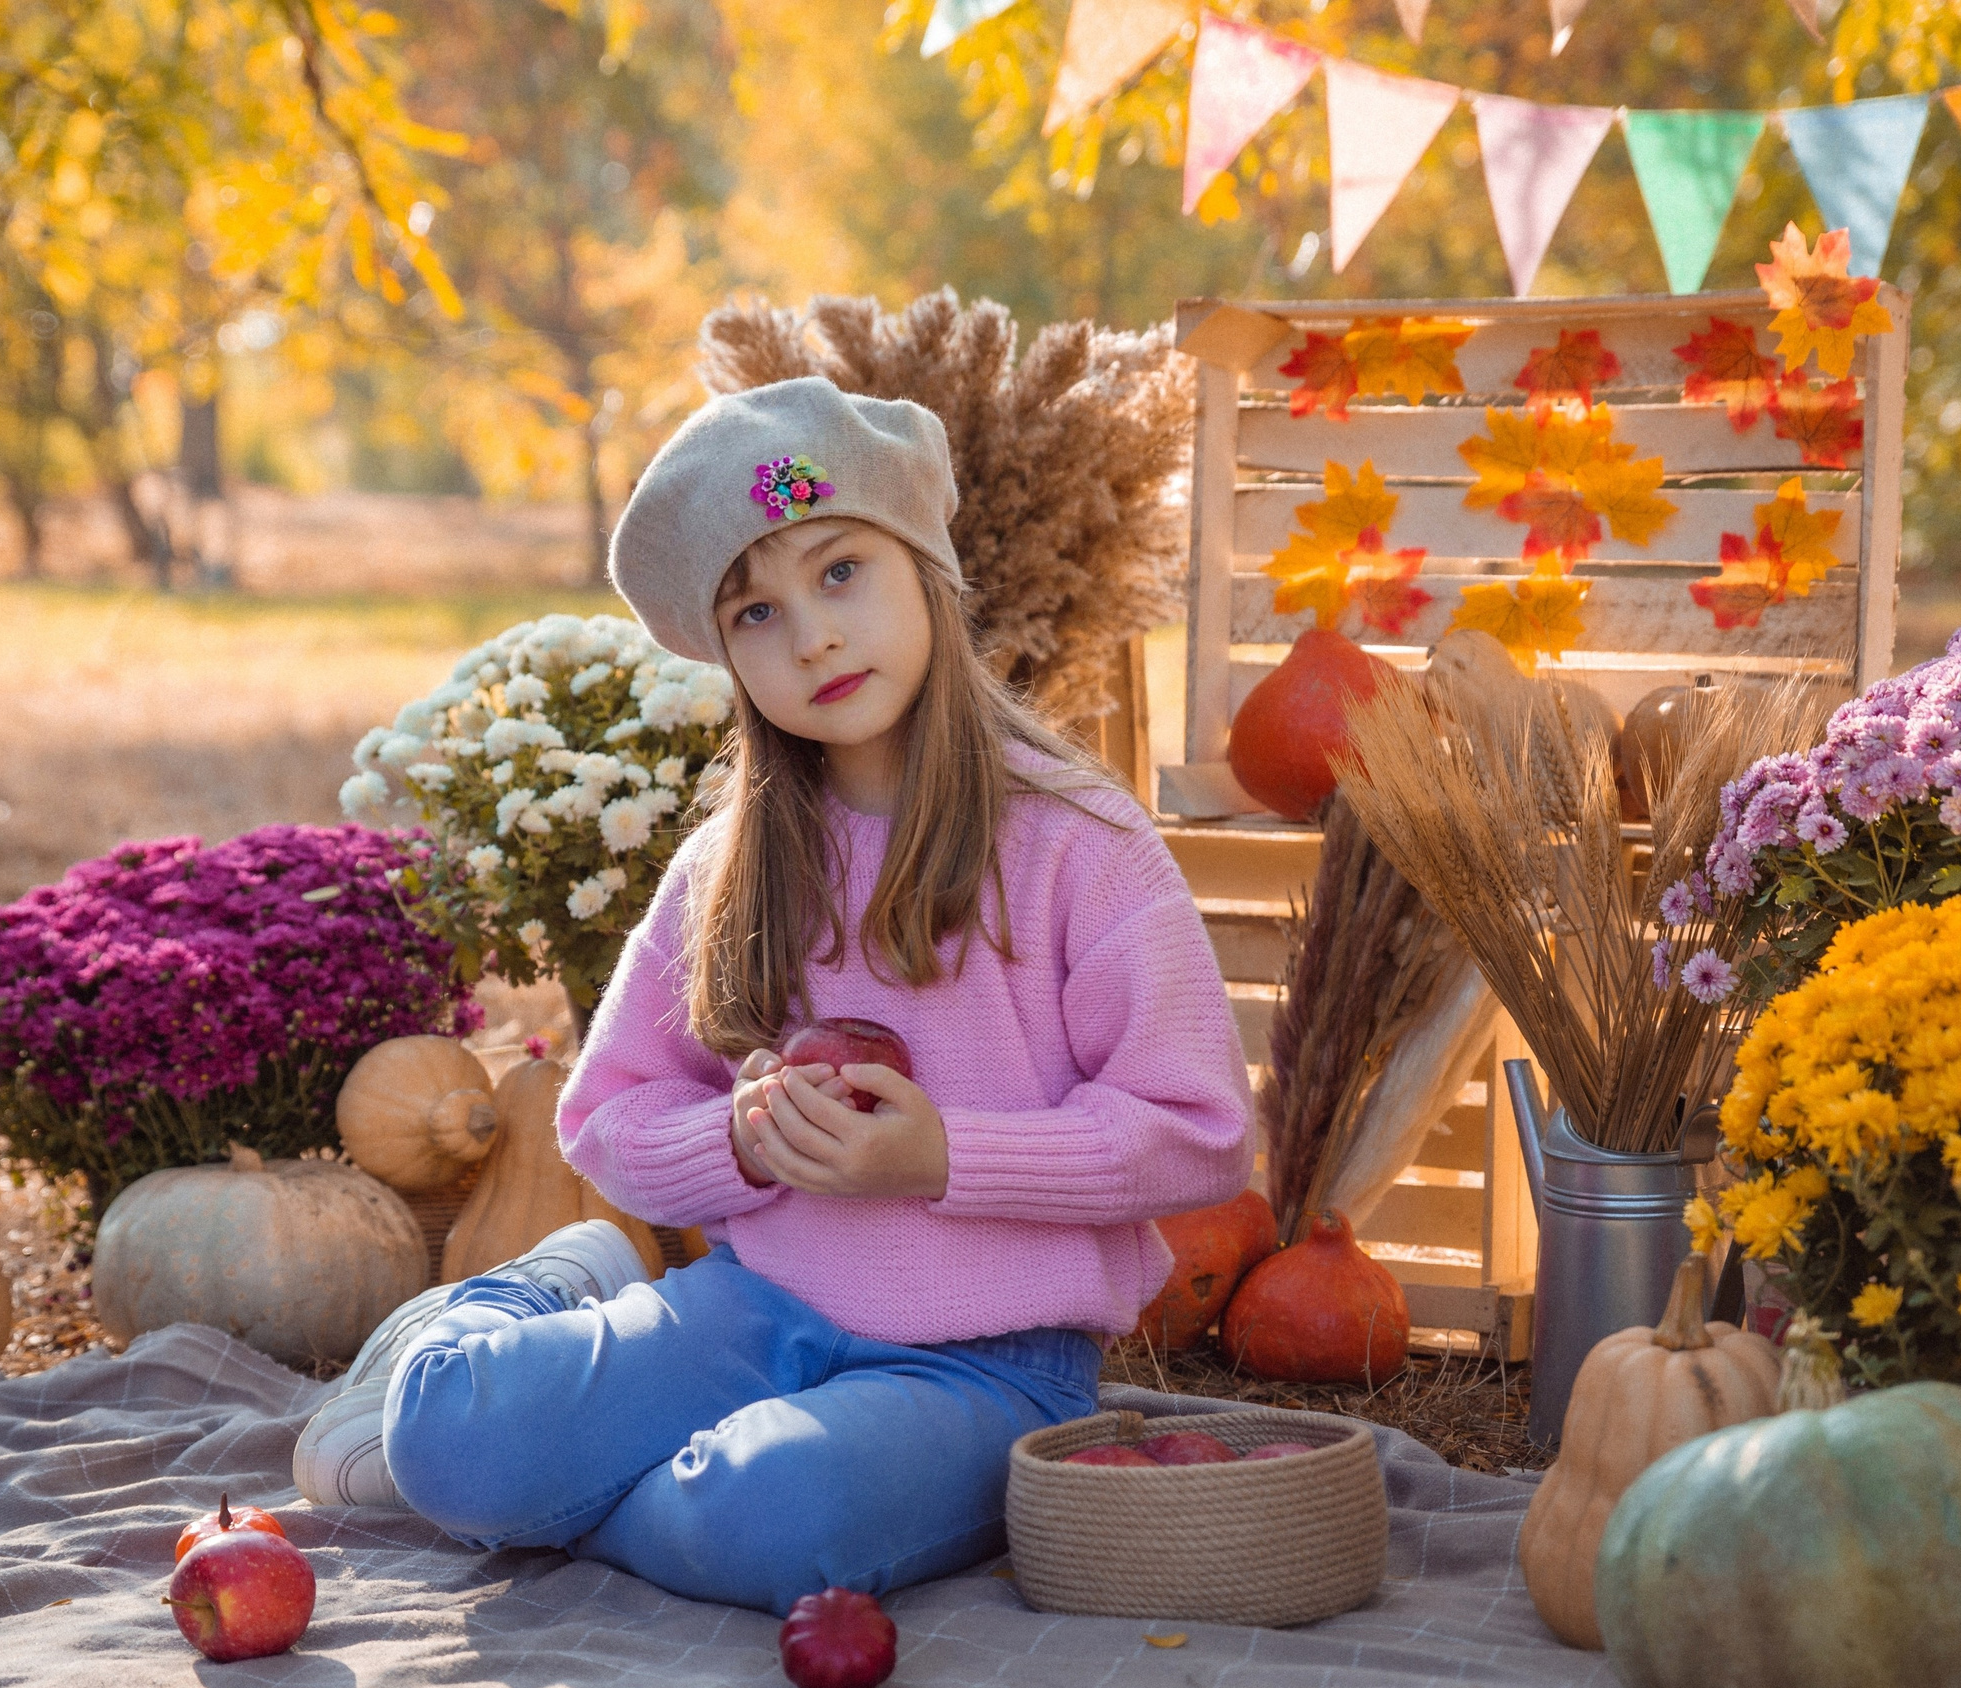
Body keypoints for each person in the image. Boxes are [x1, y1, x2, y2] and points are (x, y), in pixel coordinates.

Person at [293, 376, 1252, 1613]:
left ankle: (596, 1496)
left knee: (766, 1515)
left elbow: (1200, 1130)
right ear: (726, 652)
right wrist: (738, 1142)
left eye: (841, 569)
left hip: (990, 1370)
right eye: (757, 609)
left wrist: (944, 1157)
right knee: (443, 1437)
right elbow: (606, 1119)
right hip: (755, 1310)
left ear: (926, 566)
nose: (812, 635)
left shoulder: (1079, 842)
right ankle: (550, 1306)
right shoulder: (730, 862)